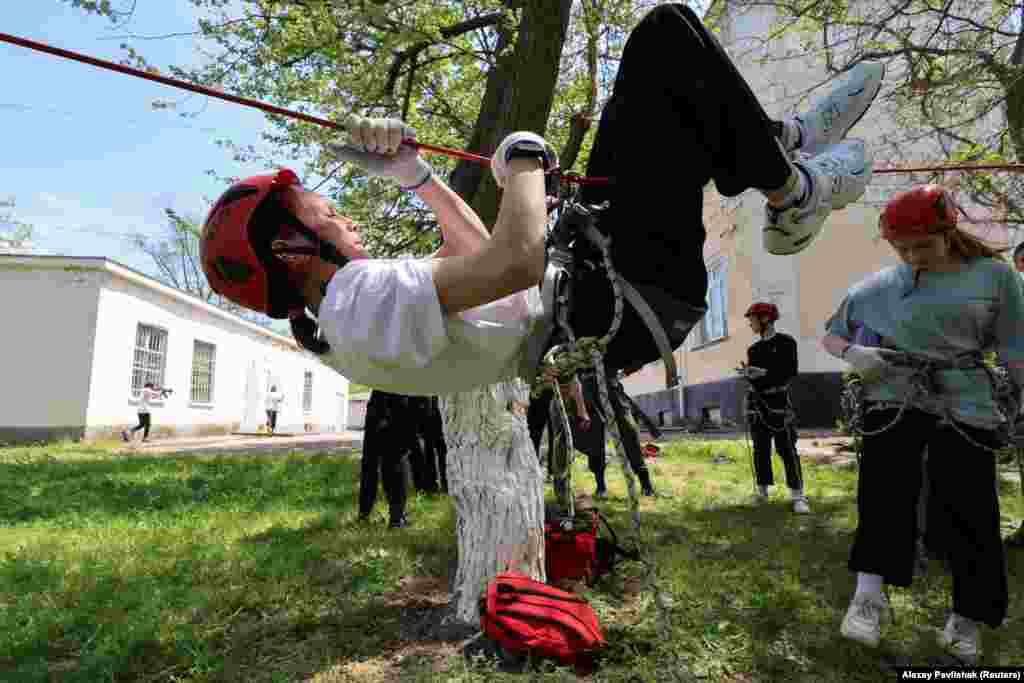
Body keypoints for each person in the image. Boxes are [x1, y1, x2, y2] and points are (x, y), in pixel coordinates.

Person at [198, 4, 884, 399]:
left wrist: (413, 174)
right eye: (323, 211)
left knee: (656, 86)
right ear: (290, 247)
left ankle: (779, 146)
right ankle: (793, 189)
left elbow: (475, 256)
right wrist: (524, 158)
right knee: (663, 37)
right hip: (615, 287)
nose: (340, 215)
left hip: (601, 283)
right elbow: (517, 261)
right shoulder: (359, 300)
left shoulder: (351, 316)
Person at [822, 184, 1024, 663]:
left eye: (923, 246)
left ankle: (967, 618)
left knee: (970, 510)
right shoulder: (877, 287)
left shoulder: (994, 277)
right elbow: (831, 336)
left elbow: (1016, 348)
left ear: (949, 232)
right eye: (901, 248)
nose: (912, 256)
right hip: (893, 397)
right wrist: (854, 353)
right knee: (883, 497)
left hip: (964, 403)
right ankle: (868, 599)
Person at [528, 369, 657, 498]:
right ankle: (601, 487)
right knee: (591, 437)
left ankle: (646, 484)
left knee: (627, 432)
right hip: (585, 387)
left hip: (606, 383)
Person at [738, 302, 809, 513]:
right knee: (760, 448)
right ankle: (762, 492)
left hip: (779, 403)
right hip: (759, 403)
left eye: (752, 319)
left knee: (787, 449)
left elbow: (789, 372)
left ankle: (798, 496)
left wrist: (764, 374)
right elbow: (757, 381)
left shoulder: (787, 343)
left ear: (765, 319)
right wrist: (750, 375)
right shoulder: (754, 349)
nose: (750, 323)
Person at [357, 390, 413, 528]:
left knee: (371, 461)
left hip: (379, 397)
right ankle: (396, 518)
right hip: (397, 396)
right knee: (396, 458)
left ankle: (364, 513)